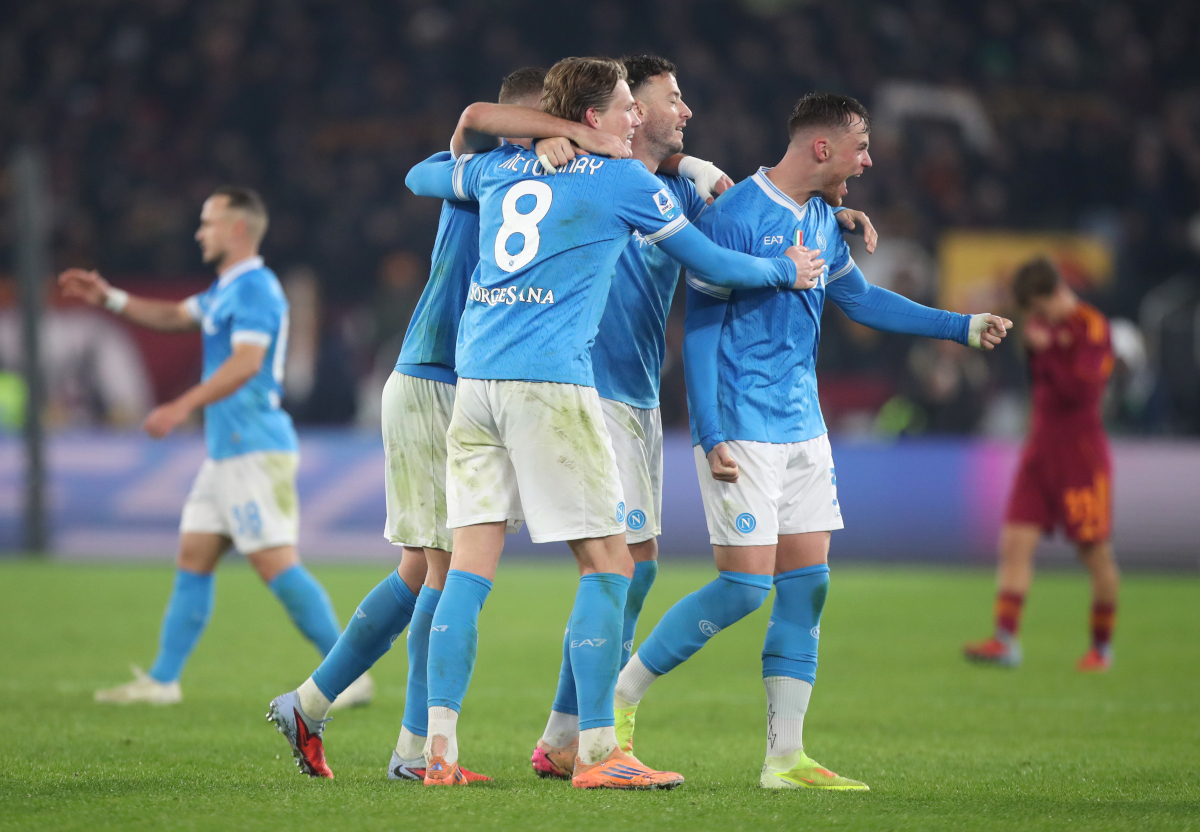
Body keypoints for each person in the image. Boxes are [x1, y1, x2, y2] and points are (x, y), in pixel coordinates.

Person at [403, 56, 823, 788]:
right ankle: (597, 752)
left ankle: (437, 752)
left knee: (468, 572)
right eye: (628, 105)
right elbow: (711, 260)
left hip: (477, 387)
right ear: (592, 118)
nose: (636, 118)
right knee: (611, 565)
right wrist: (788, 271)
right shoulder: (622, 180)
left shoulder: (500, 172)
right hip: (550, 387)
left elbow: (422, 174)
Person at [612, 93, 1011, 790]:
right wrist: (708, 434)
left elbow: (859, 301)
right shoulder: (731, 217)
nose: (868, 159)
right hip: (742, 427)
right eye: (859, 147)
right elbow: (700, 330)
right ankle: (618, 701)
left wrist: (961, 326)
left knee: (808, 586)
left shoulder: (825, 221)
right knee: (741, 589)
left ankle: (785, 759)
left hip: (804, 430)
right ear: (821, 147)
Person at [265, 66, 631, 780]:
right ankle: (410, 748)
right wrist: (553, 135)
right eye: (524, 124)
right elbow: (470, 125)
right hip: (440, 377)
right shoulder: (494, 168)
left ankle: (313, 704)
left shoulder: (512, 176)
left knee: (420, 567)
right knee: (443, 569)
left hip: (449, 379)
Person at [530, 54, 878, 781]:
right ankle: (578, 737)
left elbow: (738, 232)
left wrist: (827, 207)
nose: (682, 110)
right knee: (601, 569)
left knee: (634, 569)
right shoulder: (583, 174)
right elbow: (724, 274)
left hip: (637, 399)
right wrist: (542, 138)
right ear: (621, 111)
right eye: (665, 99)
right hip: (577, 390)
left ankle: (564, 734)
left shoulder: (680, 198)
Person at [63, 187, 365, 708]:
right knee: (194, 557)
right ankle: (163, 680)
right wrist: (109, 298)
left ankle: (349, 675)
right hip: (227, 451)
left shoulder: (256, 290)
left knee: (276, 565)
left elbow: (248, 362)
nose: (200, 232)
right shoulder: (226, 290)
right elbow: (172, 317)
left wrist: (184, 405)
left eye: (209, 223)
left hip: (254, 447)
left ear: (239, 229)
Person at [964, 257, 1118, 672]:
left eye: (1035, 308)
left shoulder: (1091, 327)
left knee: (1094, 552)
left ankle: (1101, 649)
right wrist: (1040, 353)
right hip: (1040, 451)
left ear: (1052, 294)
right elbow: (1043, 386)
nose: (1033, 318)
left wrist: (1047, 354)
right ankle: (1004, 640)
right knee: (1014, 543)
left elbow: (1082, 392)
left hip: (1080, 455)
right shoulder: (1042, 330)